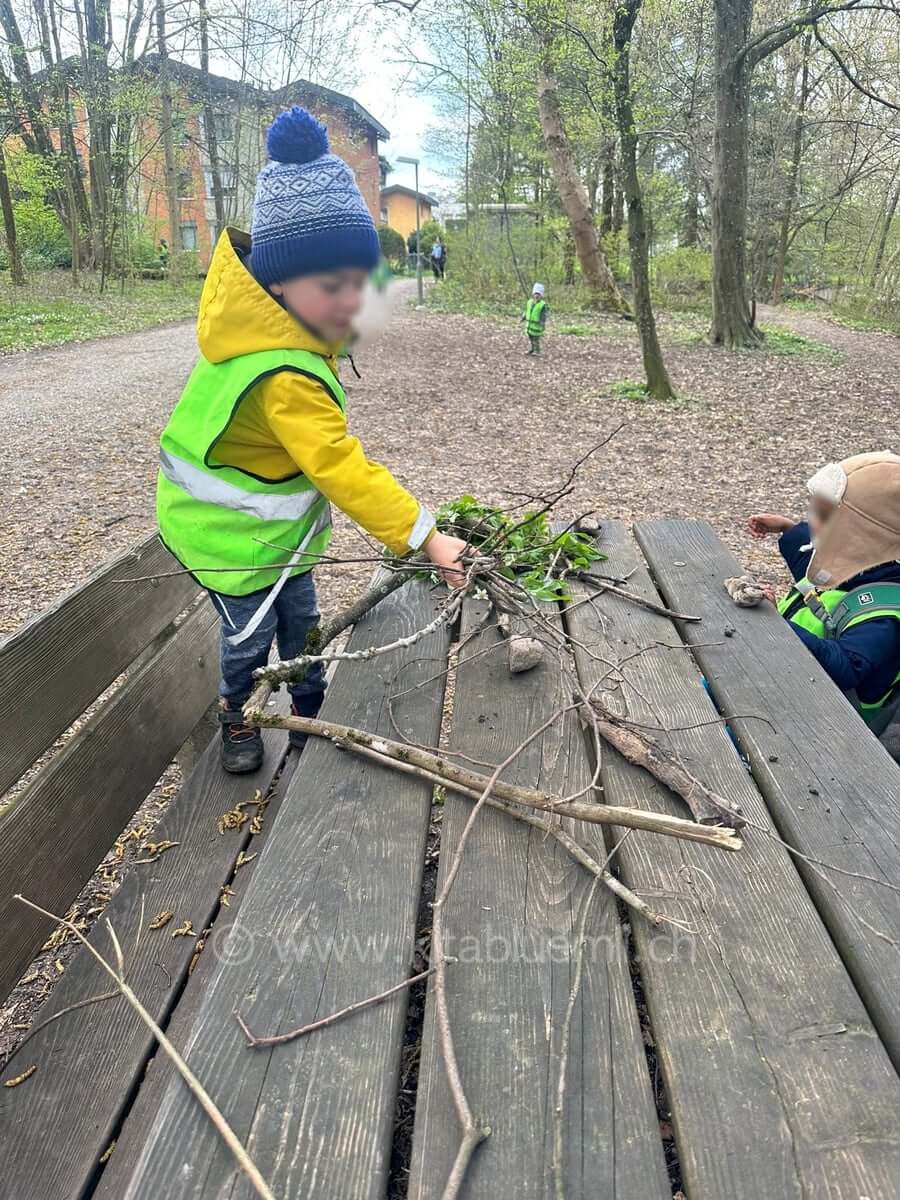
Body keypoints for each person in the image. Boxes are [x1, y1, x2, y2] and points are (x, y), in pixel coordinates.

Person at [156, 106, 468, 774]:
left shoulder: (280, 334)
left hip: (272, 533)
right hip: (227, 537)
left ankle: (308, 702)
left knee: (301, 617)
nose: (351, 301)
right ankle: (239, 716)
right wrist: (426, 534)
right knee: (249, 634)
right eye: (333, 286)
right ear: (277, 284)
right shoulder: (282, 374)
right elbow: (339, 467)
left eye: (358, 284)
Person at [748, 451, 900, 739]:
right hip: (793, 679)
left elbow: (847, 668)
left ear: (865, 534)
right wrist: (788, 529)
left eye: (823, 514)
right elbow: (809, 567)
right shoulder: (853, 563)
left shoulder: (885, 614)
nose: (810, 519)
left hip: (826, 722)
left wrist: (777, 625)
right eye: (811, 508)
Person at [523, 283, 548, 354]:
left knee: (536, 339)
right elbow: (527, 311)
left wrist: (542, 323)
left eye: (539, 294)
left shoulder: (542, 305)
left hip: (537, 326)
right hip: (530, 325)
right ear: (533, 294)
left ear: (541, 295)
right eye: (535, 293)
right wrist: (523, 317)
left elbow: (544, 315)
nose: (536, 295)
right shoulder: (530, 302)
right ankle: (532, 349)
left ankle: (538, 351)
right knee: (530, 338)